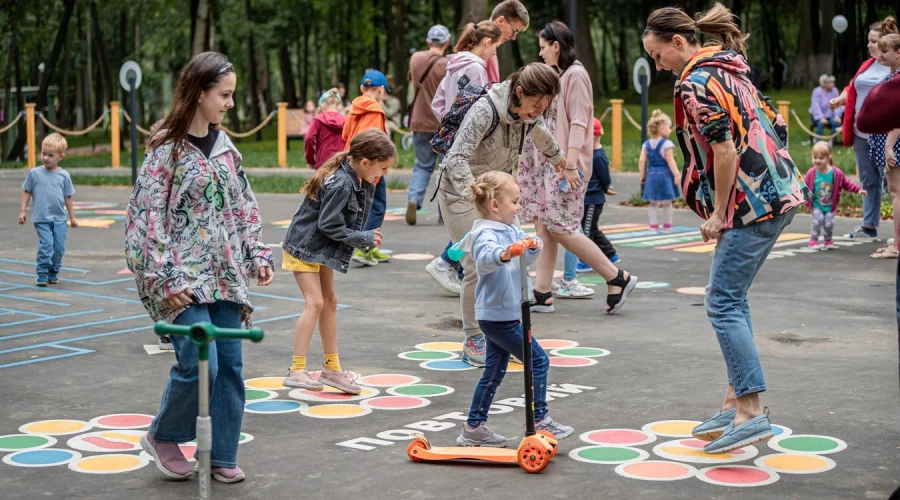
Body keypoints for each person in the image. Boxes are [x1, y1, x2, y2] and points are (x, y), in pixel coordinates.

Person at [643, 3, 810, 454]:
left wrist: (719, 213)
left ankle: (750, 410)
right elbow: (772, 122)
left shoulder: (696, 82)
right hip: (780, 191)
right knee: (732, 299)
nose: (659, 66)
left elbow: (724, 151)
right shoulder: (728, 67)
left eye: (659, 56)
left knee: (721, 301)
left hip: (751, 203)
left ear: (679, 43)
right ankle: (735, 399)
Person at [128, 52, 274, 483]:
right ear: (198, 93)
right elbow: (145, 218)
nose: (230, 103)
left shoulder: (227, 148)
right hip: (179, 278)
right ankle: (165, 435)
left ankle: (222, 454)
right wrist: (163, 278)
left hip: (225, 275)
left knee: (229, 365)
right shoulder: (165, 153)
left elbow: (244, 205)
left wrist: (257, 254)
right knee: (198, 363)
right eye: (224, 95)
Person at [437, 62, 566, 367]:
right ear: (518, 92)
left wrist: (561, 160)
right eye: (534, 105)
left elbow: (541, 132)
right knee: (476, 265)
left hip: (500, 194)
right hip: (463, 193)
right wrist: (481, 200)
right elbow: (455, 158)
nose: (537, 112)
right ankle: (474, 337)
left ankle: (507, 333)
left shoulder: (528, 114)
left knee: (515, 259)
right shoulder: (485, 110)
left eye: (543, 107)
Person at [519, 21, 637, 311]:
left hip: (563, 165)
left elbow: (580, 123)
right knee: (544, 227)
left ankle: (616, 276)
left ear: (556, 46)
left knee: (562, 227)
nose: (541, 52)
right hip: (545, 163)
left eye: (544, 46)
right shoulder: (556, 75)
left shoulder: (576, 75)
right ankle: (542, 293)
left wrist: (569, 165)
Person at [452, 171, 574, 447]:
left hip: (505, 314)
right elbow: (485, 259)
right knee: (538, 361)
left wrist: (532, 245)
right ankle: (540, 418)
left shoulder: (510, 228)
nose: (519, 208)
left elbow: (527, 252)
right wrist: (506, 253)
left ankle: (473, 427)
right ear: (495, 205)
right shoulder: (484, 232)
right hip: (497, 317)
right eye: (515, 203)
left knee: (494, 372)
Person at [281, 129, 396, 393]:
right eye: (383, 167)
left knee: (330, 301)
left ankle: (331, 369)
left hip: (320, 248)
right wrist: (361, 237)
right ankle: (296, 370)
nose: (384, 174)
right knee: (316, 302)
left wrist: (361, 237)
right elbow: (328, 224)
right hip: (304, 247)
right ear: (365, 162)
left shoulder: (358, 177)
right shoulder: (341, 183)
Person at [829, 16, 898, 240]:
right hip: (862, 133)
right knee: (868, 180)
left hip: (884, 134)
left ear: (887, 43)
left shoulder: (892, 69)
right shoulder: (867, 65)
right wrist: (840, 98)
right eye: (869, 41)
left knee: (891, 184)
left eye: (874, 41)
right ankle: (869, 226)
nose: (869, 45)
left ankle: (897, 234)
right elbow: (853, 87)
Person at [343, 69, 392, 267]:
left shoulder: (354, 107)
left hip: (352, 161)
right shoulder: (375, 110)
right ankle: (365, 247)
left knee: (365, 205)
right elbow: (374, 142)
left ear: (363, 88)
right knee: (377, 205)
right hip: (369, 165)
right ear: (380, 90)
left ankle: (370, 247)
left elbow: (346, 135)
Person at [17, 132, 78, 287]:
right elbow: (27, 191)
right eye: (43, 154)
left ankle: (53, 271)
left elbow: (68, 198)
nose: (45, 158)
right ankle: (42, 273)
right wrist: (22, 211)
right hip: (41, 217)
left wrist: (72, 217)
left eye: (50, 155)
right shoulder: (34, 173)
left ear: (61, 157)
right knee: (46, 245)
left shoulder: (64, 176)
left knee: (58, 247)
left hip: (59, 218)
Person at [405, 24, 450, 226]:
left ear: (427, 41)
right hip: (443, 124)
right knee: (445, 169)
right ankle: (444, 213)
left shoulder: (416, 59)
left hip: (419, 121)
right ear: (447, 43)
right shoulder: (449, 64)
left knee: (422, 166)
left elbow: (411, 80)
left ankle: (414, 199)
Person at [867, 32, 900, 259]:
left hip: (894, 144)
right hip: (889, 142)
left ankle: (897, 244)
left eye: (885, 51)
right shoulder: (893, 75)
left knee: (896, 193)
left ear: (898, 53)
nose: (880, 54)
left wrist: (889, 147)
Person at [431, 21, 502, 121]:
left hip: (450, 133)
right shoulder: (476, 69)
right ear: (488, 42)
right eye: (496, 47)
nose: (494, 52)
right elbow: (479, 110)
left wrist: (448, 123)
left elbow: (437, 102)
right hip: (467, 135)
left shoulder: (454, 65)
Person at [575, 117, 619, 273]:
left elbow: (605, 175)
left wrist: (606, 187)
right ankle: (610, 254)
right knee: (592, 228)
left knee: (586, 232)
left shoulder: (598, 155)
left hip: (593, 200)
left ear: (592, 136)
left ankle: (585, 261)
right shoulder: (589, 154)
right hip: (586, 199)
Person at [804, 142, 866, 250]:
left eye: (821, 158)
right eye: (815, 157)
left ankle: (828, 240)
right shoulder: (811, 173)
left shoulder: (836, 173)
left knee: (829, 223)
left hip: (829, 206)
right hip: (817, 204)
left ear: (828, 158)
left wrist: (858, 190)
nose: (817, 160)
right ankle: (813, 240)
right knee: (817, 220)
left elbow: (847, 183)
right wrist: (801, 199)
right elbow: (804, 187)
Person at [639, 109, 681, 230]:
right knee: (667, 202)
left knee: (653, 202)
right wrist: (677, 174)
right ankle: (667, 224)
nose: (669, 129)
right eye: (668, 127)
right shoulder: (667, 144)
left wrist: (642, 175)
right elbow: (670, 160)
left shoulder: (646, 144)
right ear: (661, 128)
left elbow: (642, 160)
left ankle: (653, 224)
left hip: (651, 175)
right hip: (665, 176)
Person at [485, 0, 530, 83]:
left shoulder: (474, 43)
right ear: (500, 21)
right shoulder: (486, 52)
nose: (513, 38)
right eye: (514, 31)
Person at [304, 88, 347, 169]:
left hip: (323, 162)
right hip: (342, 162)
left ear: (322, 105)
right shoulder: (346, 120)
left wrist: (310, 160)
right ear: (339, 105)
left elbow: (309, 138)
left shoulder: (317, 120)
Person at [809, 75, 842, 143]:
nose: (832, 84)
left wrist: (837, 116)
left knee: (836, 122)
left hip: (830, 115)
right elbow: (816, 106)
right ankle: (818, 141)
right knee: (820, 124)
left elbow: (837, 104)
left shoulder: (834, 90)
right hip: (817, 116)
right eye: (830, 83)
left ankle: (831, 140)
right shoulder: (817, 91)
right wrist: (821, 118)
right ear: (824, 84)